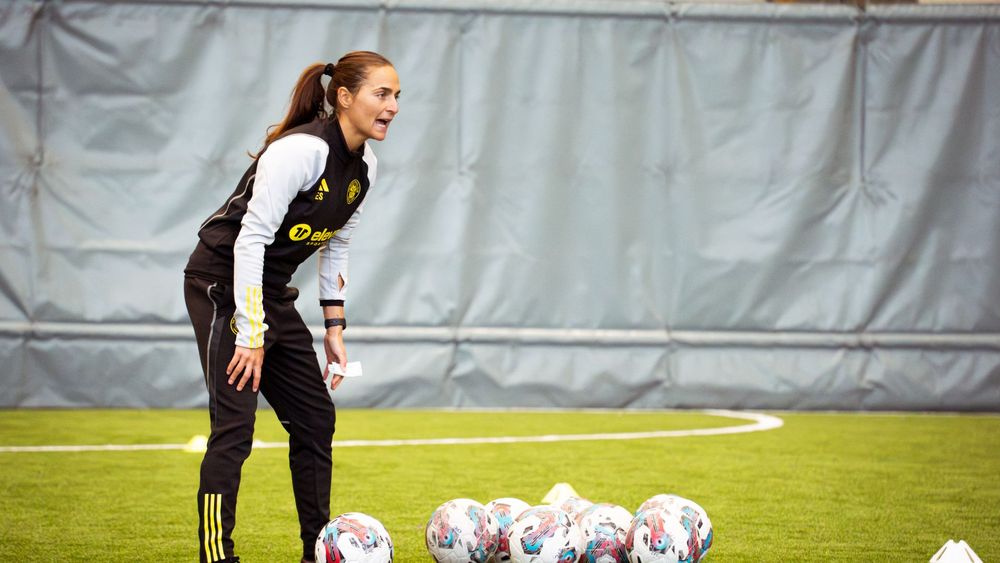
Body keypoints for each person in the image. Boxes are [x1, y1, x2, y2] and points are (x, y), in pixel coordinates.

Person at [182, 51, 400, 563]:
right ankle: (218, 558)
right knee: (235, 428)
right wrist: (250, 333)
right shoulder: (299, 152)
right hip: (220, 282)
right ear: (344, 98)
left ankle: (318, 551)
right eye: (381, 94)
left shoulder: (365, 165)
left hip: (269, 290)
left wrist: (334, 326)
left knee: (315, 419)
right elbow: (249, 242)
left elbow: (336, 244)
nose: (391, 107)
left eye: (396, 97)